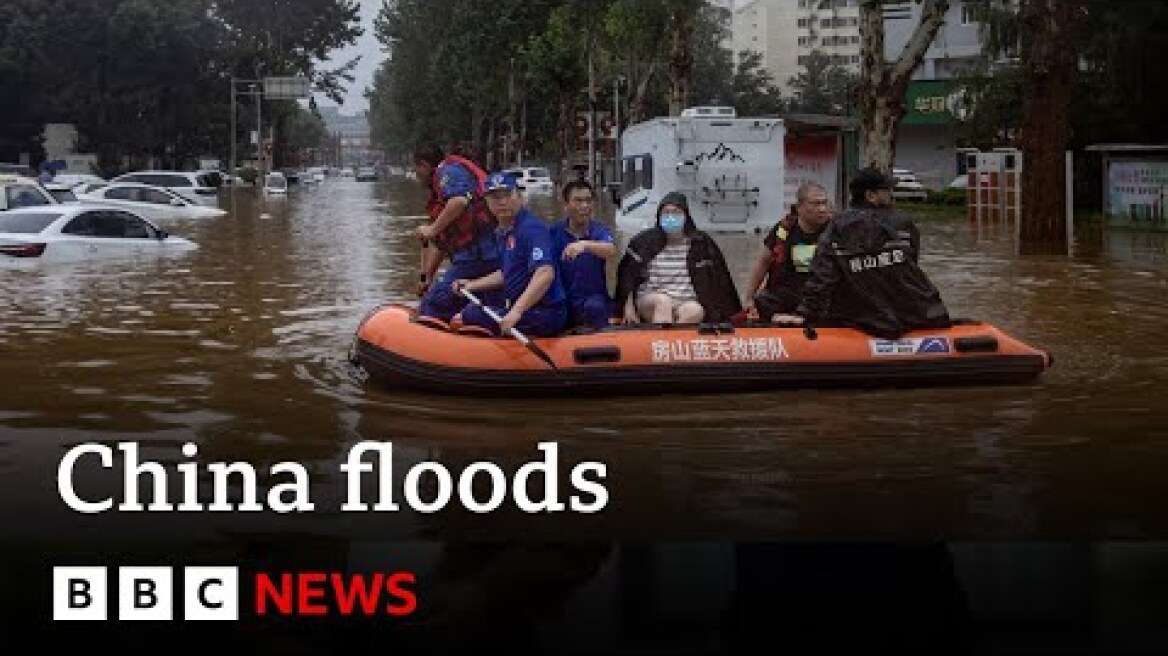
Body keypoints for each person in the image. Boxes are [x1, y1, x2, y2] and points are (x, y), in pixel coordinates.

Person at [773, 167, 952, 339]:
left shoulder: (837, 227)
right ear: (870, 196)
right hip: (914, 314)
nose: (891, 194)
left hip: (863, 318)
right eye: (886, 190)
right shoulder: (903, 224)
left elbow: (822, 277)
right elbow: (910, 267)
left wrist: (804, 313)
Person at [451, 172, 568, 337]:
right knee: (483, 299)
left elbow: (545, 273)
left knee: (472, 314)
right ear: (487, 203)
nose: (502, 202)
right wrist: (471, 285)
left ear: (519, 197)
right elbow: (509, 273)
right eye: (495, 198)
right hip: (528, 307)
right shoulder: (504, 232)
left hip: (547, 313)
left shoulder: (531, 229)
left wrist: (516, 312)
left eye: (507, 195)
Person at [614, 191, 741, 325]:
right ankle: (659, 338)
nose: (670, 217)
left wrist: (728, 315)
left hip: (686, 300)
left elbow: (721, 280)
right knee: (663, 302)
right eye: (666, 212)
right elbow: (626, 276)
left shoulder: (701, 243)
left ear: (686, 216)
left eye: (676, 212)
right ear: (659, 216)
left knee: (696, 311)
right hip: (651, 299)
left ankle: (673, 340)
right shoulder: (643, 242)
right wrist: (628, 308)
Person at [412, 143, 502, 323]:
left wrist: (431, 230)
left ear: (424, 165)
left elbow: (459, 201)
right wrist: (428, 277)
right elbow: (442, 244)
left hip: (478, 257)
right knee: (480, 308)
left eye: (416, 169)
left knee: (432, 306)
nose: (416, 176)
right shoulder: (441, 194)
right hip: (476, 257)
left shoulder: (447, 172)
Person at [743, 182, 833, 321]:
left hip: (819, 294)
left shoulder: (835, 230)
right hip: (785, 293)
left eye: (824, 203)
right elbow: (763, 262)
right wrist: (749, 298)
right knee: (761, 303)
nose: (822, 209)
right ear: (799, 208)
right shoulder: (784, 229)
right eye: (815, 204)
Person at [550, 180, 616, 331]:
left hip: (593, 299)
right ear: (566, 205)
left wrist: (585, 245)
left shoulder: (599, 230)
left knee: (595, 307)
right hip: (563, 298)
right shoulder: (552, 233)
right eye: (578, 201)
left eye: (588, 201)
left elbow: (610, 250)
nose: (584, 206)